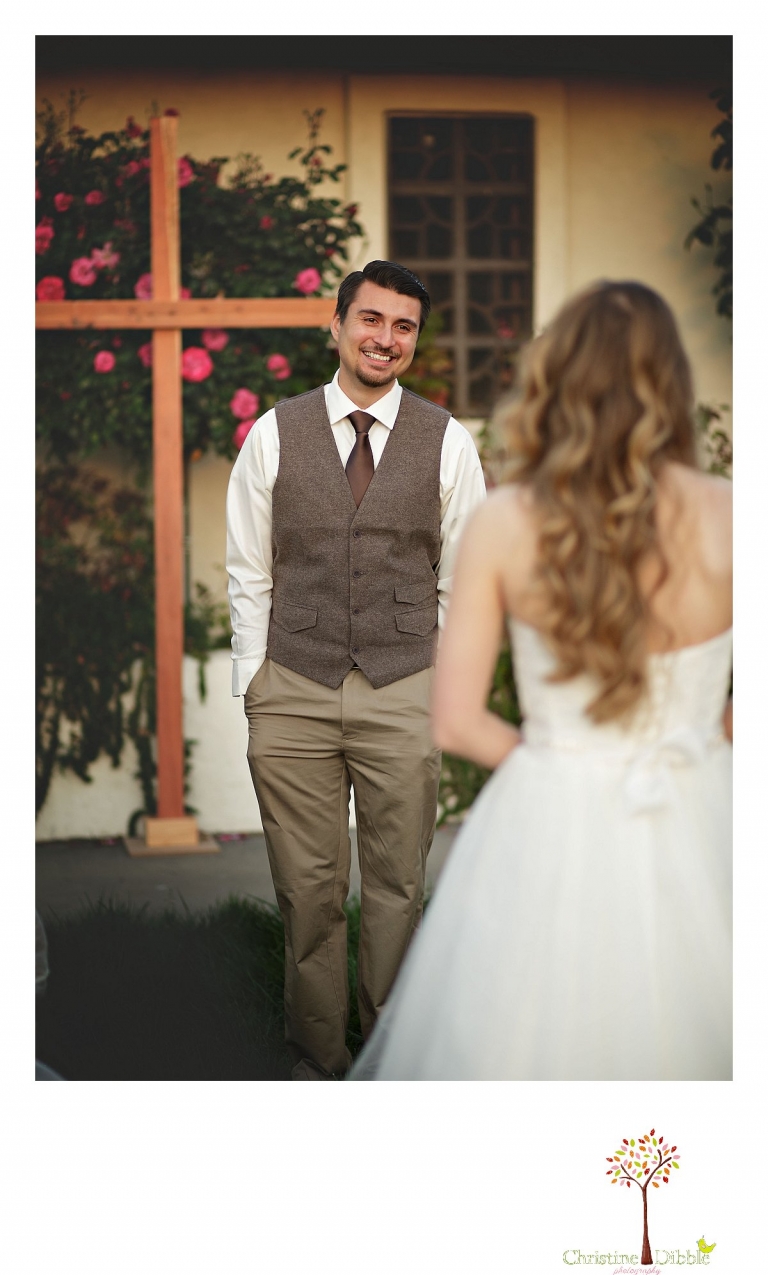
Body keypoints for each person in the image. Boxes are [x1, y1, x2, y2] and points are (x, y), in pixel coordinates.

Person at [349, 280, 732, 1081]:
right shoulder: (736, 516)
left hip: (552, 818)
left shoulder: (506, 521)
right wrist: (699, 738)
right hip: (704, 807)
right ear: (672, 384)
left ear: (555, 379)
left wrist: (564, 763)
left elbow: (454, 722)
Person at [226, 259, 486, 1079]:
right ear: (335, 326)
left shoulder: (448, 441)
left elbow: (464, 576)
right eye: (370, 320)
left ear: (416, 339)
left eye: (403, 325)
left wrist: (434, 678)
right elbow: (247, 567)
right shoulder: (274, 432)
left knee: (396, 891)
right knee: (307, 893)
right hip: (292, 687)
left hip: (404, 685)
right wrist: (255, 680)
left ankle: (391, 1057)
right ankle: (318, 1058)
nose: (385, 338)